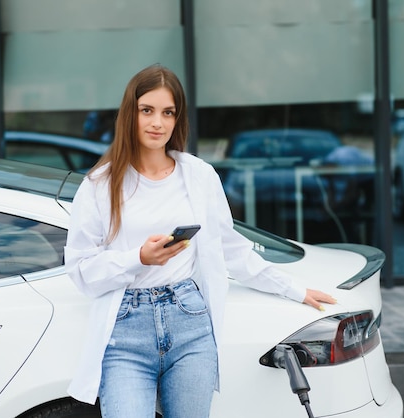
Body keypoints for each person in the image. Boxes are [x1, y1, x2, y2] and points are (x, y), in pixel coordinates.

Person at [64, 64, 336, 418]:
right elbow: (81, 271)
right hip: (125, 332)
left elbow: (231, 247)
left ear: (178, 120)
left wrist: (293, 289)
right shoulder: (101, 184)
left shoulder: (198, 175)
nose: (157, 123)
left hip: (189, 321)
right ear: (130, 114)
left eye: (167, 113)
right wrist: (139, 258)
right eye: (147, 111)